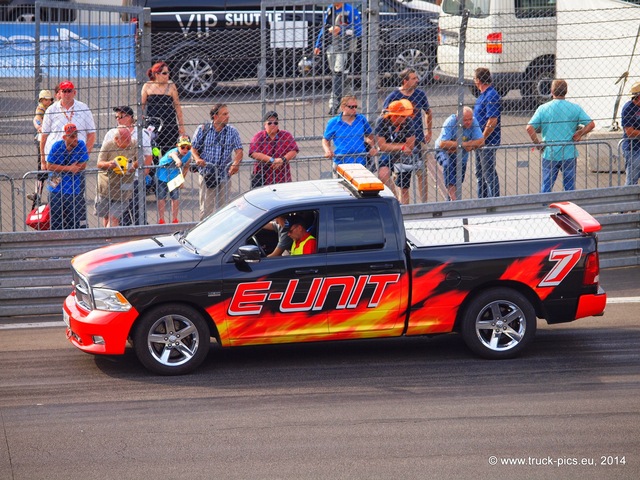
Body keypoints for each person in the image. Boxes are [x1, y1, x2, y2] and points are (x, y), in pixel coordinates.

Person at [526, 79, 595, 193]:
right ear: (566, 91)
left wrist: (537, 144)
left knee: (546, 185)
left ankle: (545, 207)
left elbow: (529, 128)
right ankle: (569, 207)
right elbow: (591, 124)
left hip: (550, 152)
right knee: (569, 186)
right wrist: (580, 133)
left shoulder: (543, 108)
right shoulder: (575, 108)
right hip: (568, 152)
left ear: (551, 91)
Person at [383, 68, 439, 203]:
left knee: (422, 174)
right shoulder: (394, 96)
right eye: (414, 78)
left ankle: (423, 204)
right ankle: (405, 208)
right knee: (403, 179)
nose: (417, 80)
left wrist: (429, 131)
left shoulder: (420, 94)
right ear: (405, 81)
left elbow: (428, 112)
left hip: (418, 140)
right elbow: (384, 115)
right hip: (401, 144)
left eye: (416, 78)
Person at [191, 103, 243, 220]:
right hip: (207, 174)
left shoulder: (232, 131)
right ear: (215, 116)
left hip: (225, 173)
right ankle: (204, 232)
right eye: (224, 114)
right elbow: (193, 148)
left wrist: (235, 163)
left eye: (227, 113)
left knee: (224, 208)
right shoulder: (203, 129)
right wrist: (198, 159)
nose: (228, 116)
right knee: (206, 209)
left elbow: (239, 150)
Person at [103, 106, 154, 226]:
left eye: (121, 116)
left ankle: (141, 235)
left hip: (134, 179)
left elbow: (148, 156)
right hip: (116, 180)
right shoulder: (111, 134)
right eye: (116, 117)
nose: (118, 119)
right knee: (119, 214)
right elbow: (104, 155)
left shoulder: (141, 134)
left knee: (138, 212)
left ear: (129, 117)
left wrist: (143, 173)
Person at [313, 2, 362, 115]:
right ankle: (351, 102)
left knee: (338, 75)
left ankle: (334, 105)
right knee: (340, 77)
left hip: (345, 48)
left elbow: (359, 31)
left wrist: (342, 30)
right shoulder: (330, 9)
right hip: (331, 46)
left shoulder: (350, 10)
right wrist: (318, 45)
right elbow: (325, 27)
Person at [40, 80, 96, 170]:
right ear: (59, 93)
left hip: (76, 156)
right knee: (55, 183)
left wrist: (85, 156)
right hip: (56, 157)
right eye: (64, 91)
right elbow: (44, 135)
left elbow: (91, 134)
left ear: (74, 92)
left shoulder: (83, 108)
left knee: (78, 183)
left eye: (69, 91)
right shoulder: (51, 110)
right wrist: (43, 161)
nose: (67, 94)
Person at [435, 106, 485, 201]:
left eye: (470, 119)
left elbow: (481, 141)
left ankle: (451, 202)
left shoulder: (474, 122)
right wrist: (464, 144)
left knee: (457, 180)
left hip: (461, 155)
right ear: (458, 118)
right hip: (443, 151)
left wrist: (466, 145)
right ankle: (455, 201)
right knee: (448, 166)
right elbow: (443, 143)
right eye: (465, 120)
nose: (469, 122)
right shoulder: (450, 122)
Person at [45, 123, 88, 230]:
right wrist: (69, 168)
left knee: (73, 220)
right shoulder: (57, 146)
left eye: (76, 136)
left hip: (73, 188)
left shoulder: (81, 145)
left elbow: (83, 165)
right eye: (72, 136)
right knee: (56, 220)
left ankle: (73, 242)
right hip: (55, 187)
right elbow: (49, 166)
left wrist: (60, 168)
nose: (76, 139)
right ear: (65, 137)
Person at [96, 126, 139, 227]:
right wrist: (109, 164)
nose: (129, 141)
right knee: (106, 216)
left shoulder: (134, 144)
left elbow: (141, 159)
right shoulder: (108, 146)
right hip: (106, 187)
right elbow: (99, 163)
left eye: (130, 138)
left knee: (114, 217)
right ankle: (106, 238)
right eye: (126, 139)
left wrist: (133, 166)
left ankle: (110, 238)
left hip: (124, 188)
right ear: (116, 139)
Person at [374, 99, 416, 204]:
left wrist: (393, 146)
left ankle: (405, 211)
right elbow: (382, 146)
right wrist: (401, 146)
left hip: (404, 155)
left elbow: (410, 145)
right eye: (402, 116)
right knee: (383, 174)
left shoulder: (408, 122)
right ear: (394, 116)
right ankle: (395, 200)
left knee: (404, 188)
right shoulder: (382, 122)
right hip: (388, 153)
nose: (405, 118)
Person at [141, 61, 185, 156]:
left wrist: (181, 126)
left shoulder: (171, 86)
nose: (167, 75)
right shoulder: (147, 86)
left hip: (169, 124)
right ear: (156, 74)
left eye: (168, 73)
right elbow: (141, 105)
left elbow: (177, 107)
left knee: (169, 154)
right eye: (164, 73)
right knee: (153, 154)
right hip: (153, 124)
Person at [322, 95, 378, 169]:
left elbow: (369, 135)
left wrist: (372, 147)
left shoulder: (361, 119)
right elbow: (325, 139)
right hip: (341, 161)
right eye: (351, 107)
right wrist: (328, 150)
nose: (354, 109)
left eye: (355, 106)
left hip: (361, 160)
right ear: (343, 107)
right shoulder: (334, 122)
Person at [248, 111, 299, 188]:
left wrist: (282, 160)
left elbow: (294, 151)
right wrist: (272, 160)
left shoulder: (285, 135)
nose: (273, 125)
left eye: (275, 123)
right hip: (263, 177)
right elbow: (253, 153)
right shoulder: (259, 136)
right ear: (264, 124)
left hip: (282, 177)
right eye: (270, 123)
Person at [473, 67, 502, 198]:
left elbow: (492, 120)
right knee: (480, 174)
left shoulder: (491, 95)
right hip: (480, 142)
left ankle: (493, 201)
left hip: (487, 142)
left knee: (488, 173)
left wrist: (482, 138)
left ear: (478, 80)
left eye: (474, 78)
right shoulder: (483, 95)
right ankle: (482, 200)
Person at [156, 135, 193, 224]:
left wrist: (182, 180)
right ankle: (161, 219)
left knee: (175, 197)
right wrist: (178, 161)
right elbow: (173, 155)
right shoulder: (173, 151)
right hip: (162, 176)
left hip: (174, 177)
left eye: (188, 147)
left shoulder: (188, 154)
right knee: (162, 197)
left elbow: (186, 167)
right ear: (177, 146)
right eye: (183, 147)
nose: (185, 150)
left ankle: (175, 219)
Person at [621, 81, 640, 185]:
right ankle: (629, 200)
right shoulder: (628, 108)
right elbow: (629, 132)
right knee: (632, 181)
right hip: (633, 149)